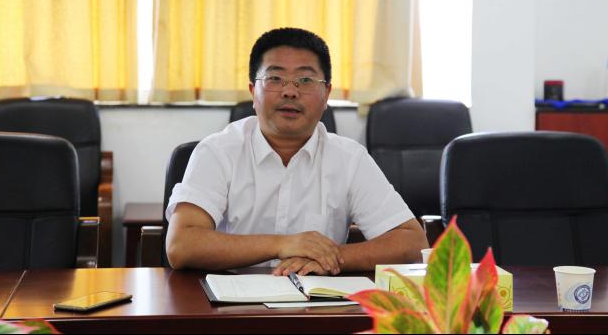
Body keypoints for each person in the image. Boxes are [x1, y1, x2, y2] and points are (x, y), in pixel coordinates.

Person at [166, 28, 428, 275]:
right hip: (227, 302)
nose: (290, 91)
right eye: (275, 79)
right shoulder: (217, 152)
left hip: (317, 302)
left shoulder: (349, 159)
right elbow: (181, 245)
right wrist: (282, 244)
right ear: (253, 92)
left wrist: (330, 257)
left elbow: (412, 243)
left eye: (305, 80)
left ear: (326, 95)